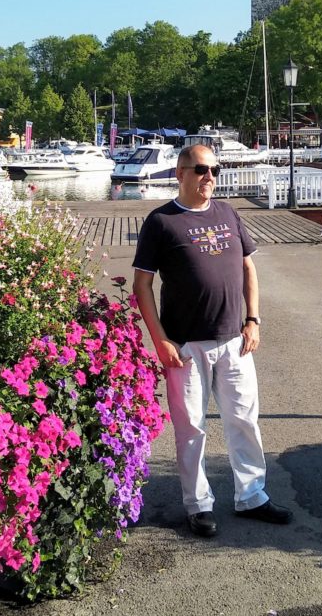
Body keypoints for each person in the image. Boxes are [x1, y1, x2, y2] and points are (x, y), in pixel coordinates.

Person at [132, 145, 293, 538]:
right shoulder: (161, 221)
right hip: (186, 346)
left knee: (244, 421)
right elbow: (142, 285)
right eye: (201, 170)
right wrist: (160, 340)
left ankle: (252, 495)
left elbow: (247, 268)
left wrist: (252, 320)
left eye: (215, 170)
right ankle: (198, 504)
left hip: (233, 340)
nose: (210, 177)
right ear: (180, 173)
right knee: (191, 427)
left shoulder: (228, 213)